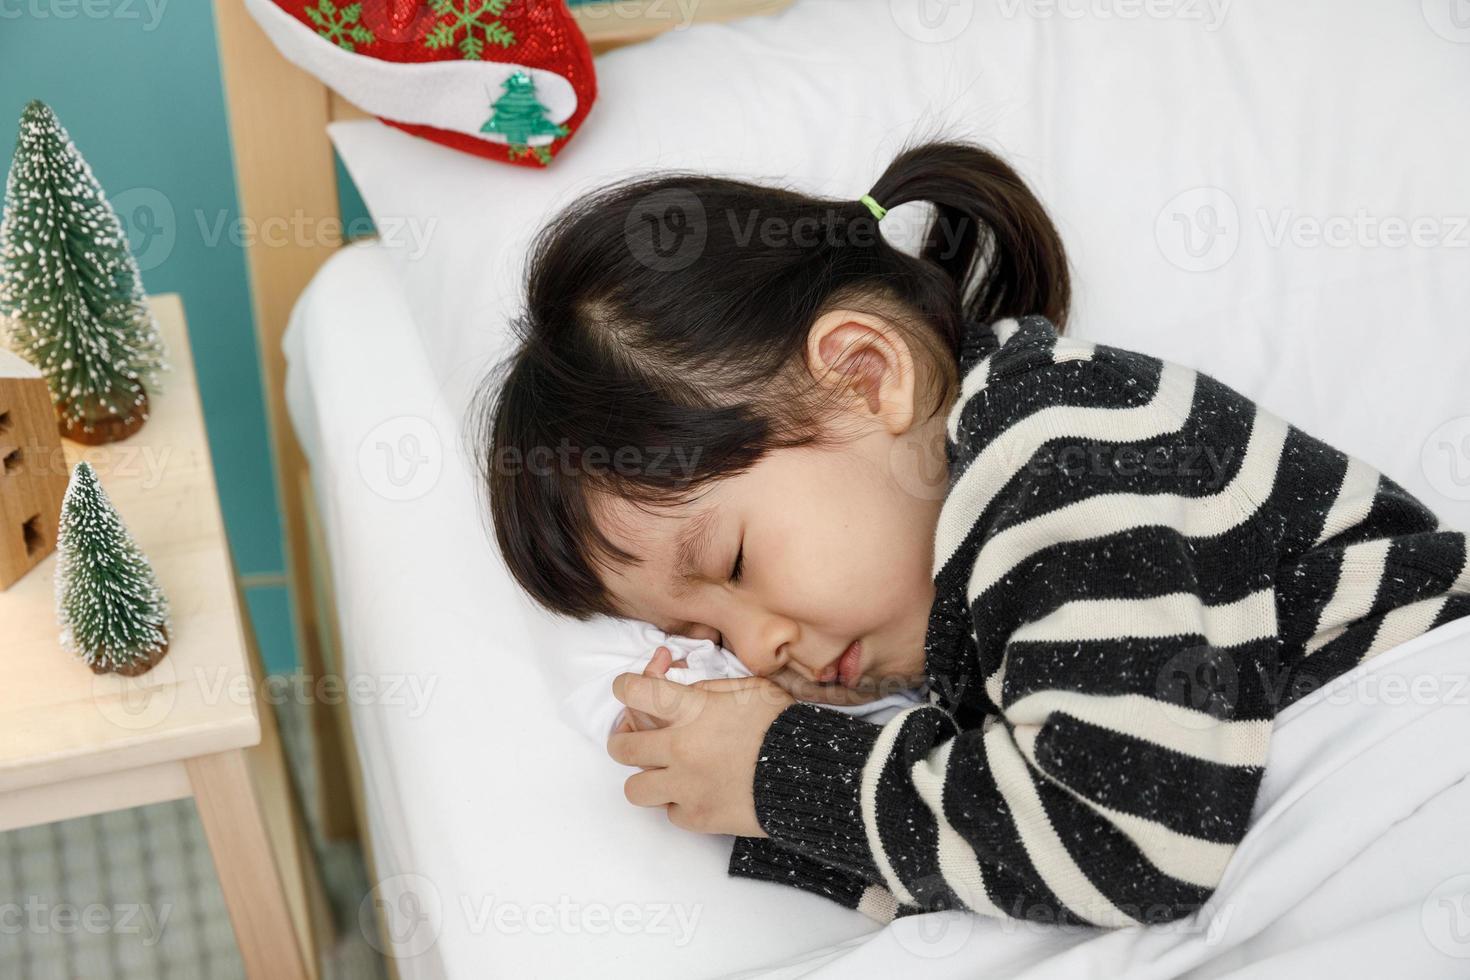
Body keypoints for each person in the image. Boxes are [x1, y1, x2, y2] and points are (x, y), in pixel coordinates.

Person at [469, 139, 1470, 926]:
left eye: (734, 564)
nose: (761, 645)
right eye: (715, 637)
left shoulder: (1051, 448)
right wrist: (735, 791)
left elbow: (1130, 836)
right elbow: (996, 859)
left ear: (866, 375)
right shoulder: (969, 618)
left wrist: (783, 775)